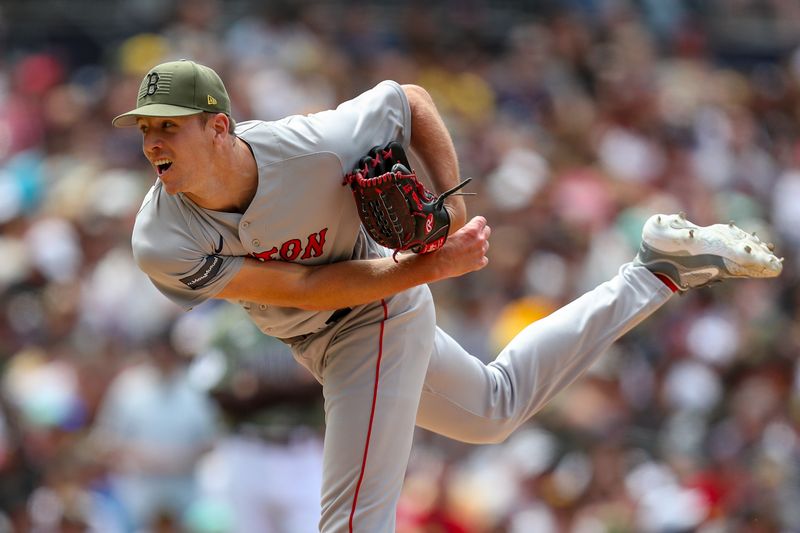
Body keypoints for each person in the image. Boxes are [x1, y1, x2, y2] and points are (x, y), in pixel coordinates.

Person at [112, 59, 782, 532]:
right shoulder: (161, 237)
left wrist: (452, 215)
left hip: (376, 315)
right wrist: (432, 267)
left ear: (219, 126)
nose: (151, 142)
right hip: (327, 324)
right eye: (144, 128)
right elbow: (307, 286)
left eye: (167, 126)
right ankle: (656, 269)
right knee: (495, 406)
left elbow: (410, 100)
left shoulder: (315, 146)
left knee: (351, 523)